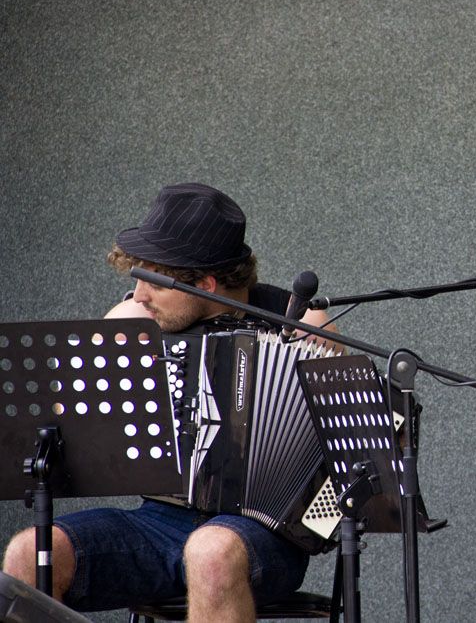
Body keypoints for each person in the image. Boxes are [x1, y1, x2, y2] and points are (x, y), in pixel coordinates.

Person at [2, 182, 339, 622]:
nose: (139, 295)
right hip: (159, 522)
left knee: (210, 552)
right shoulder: (139, 319)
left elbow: (348, 443)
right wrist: (119, 332)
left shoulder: (297, 321)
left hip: (262, 532)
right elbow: (76, 421)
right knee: (27, 553)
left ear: (206, 284)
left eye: (155, 284)